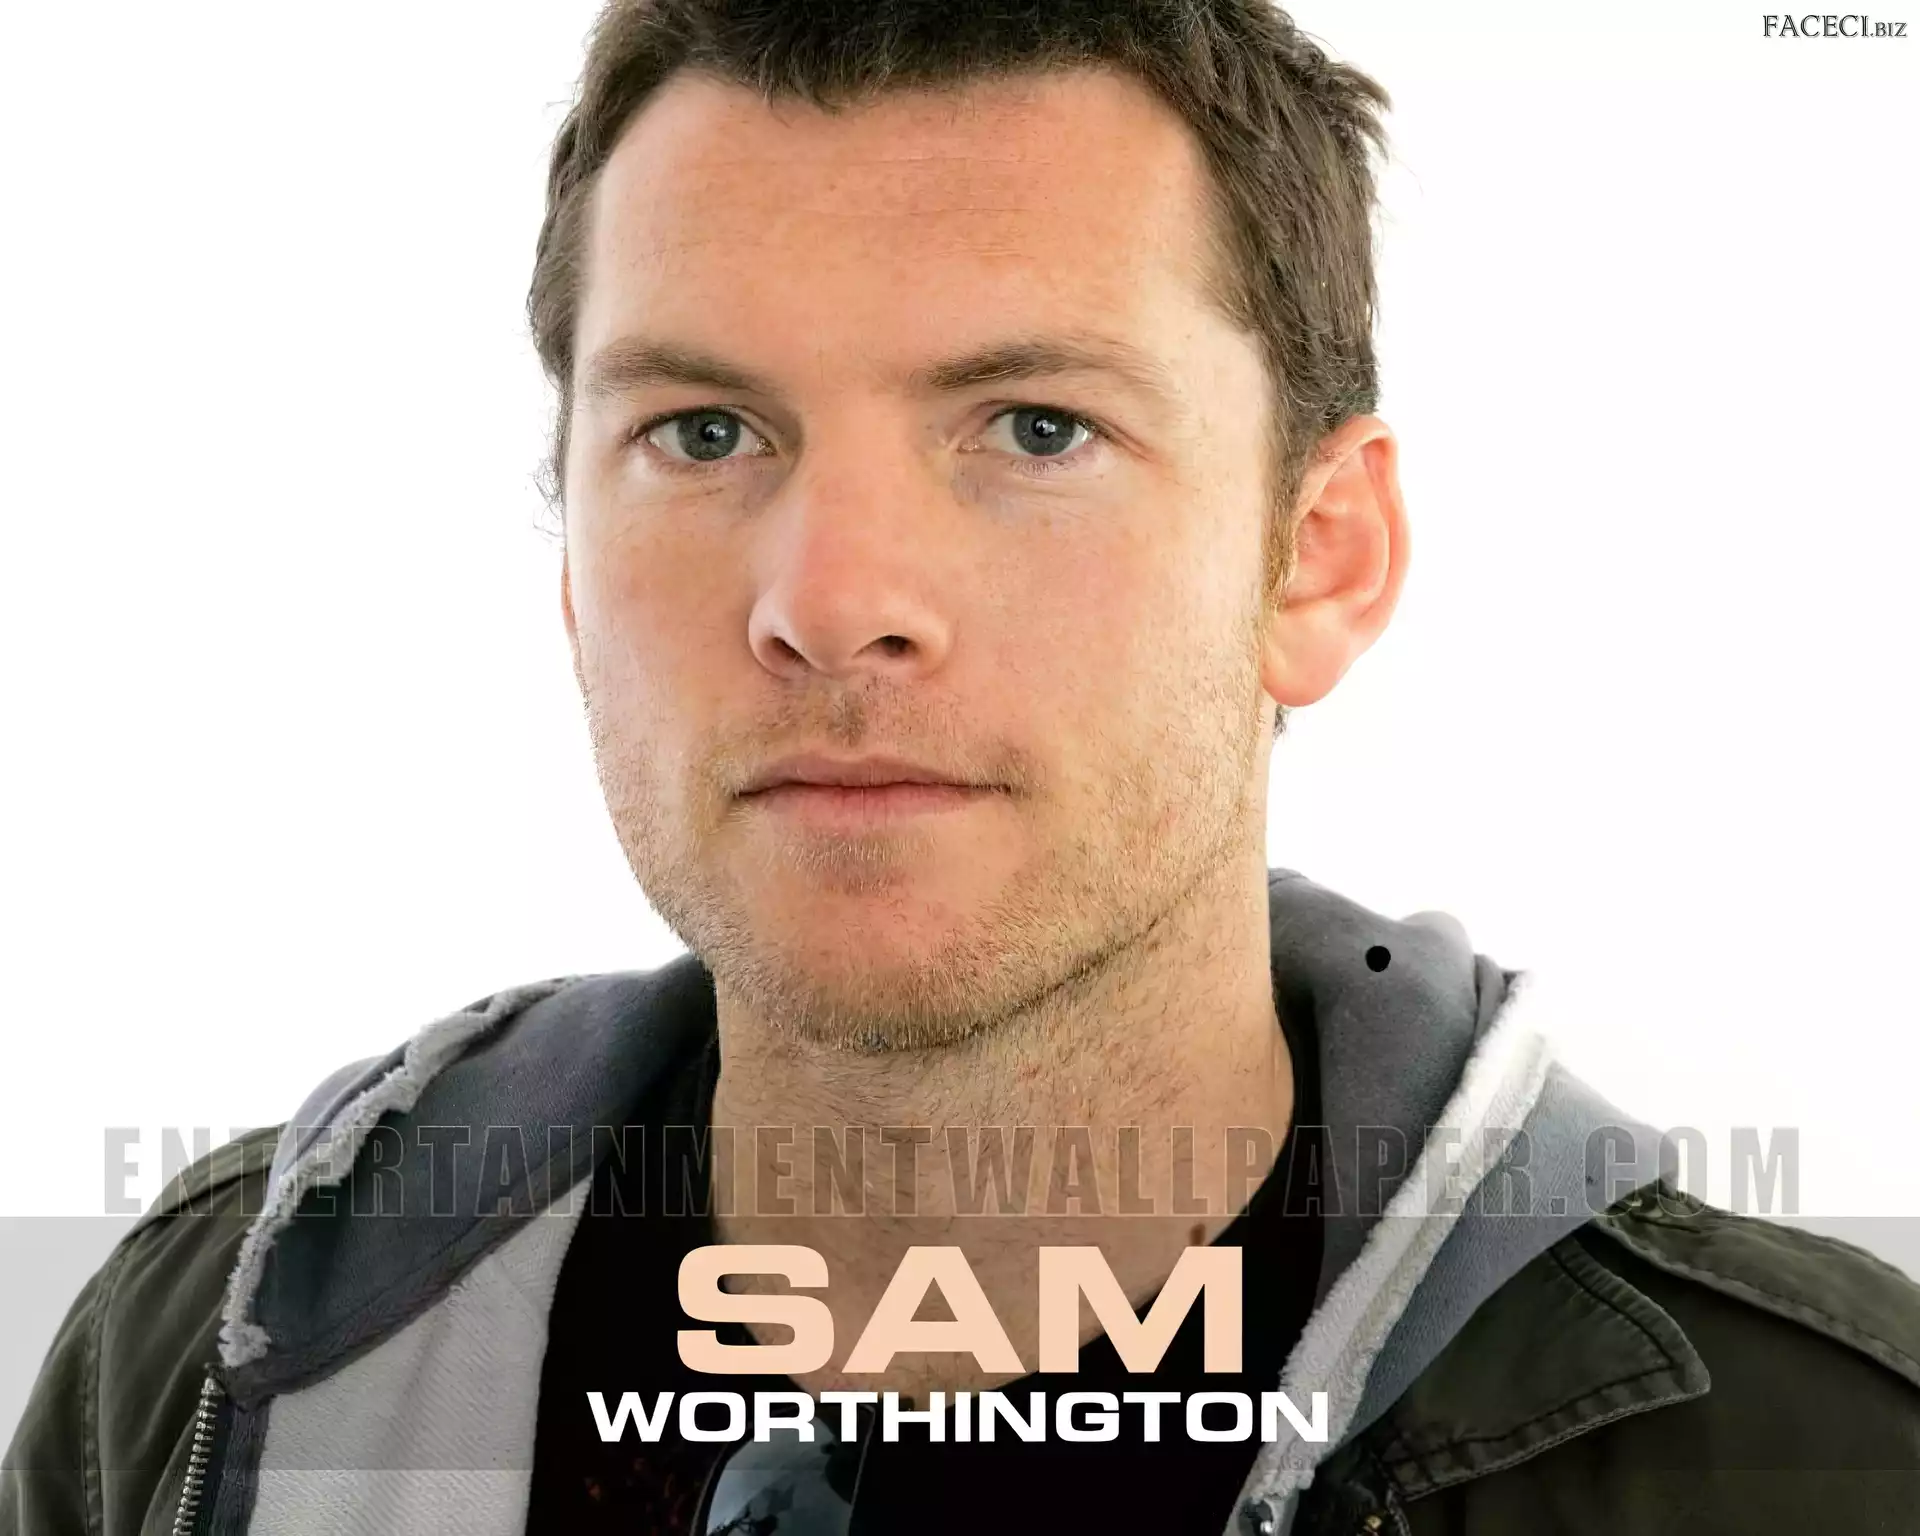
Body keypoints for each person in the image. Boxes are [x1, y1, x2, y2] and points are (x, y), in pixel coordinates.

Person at [7, 2, 1918, 1533]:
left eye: (1034, 427)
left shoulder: (1827, 1471)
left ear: (1319, 558)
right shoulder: (199, 1369)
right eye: (703, 433)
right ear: (573, 567)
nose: (831, 604)